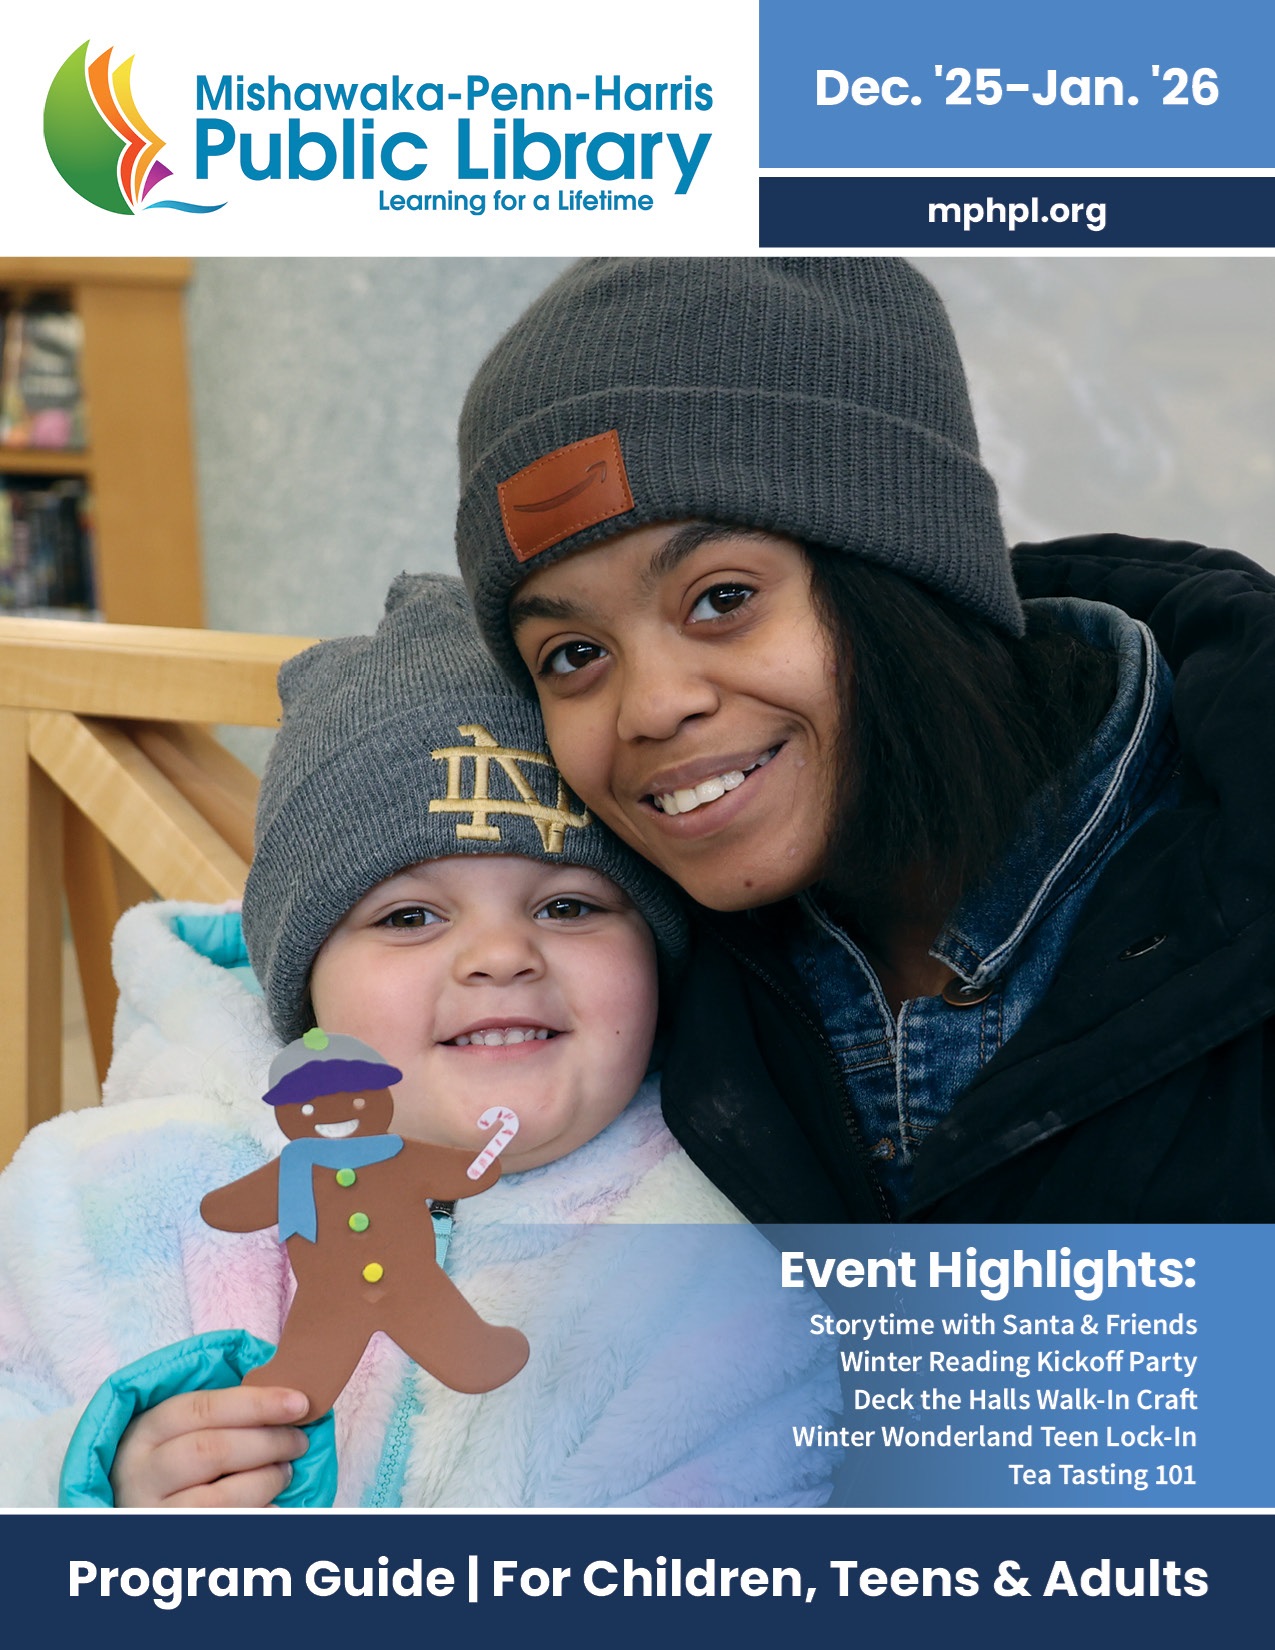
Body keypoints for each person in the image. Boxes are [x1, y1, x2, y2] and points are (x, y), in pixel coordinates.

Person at [455, 256, 1275, 1224]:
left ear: (906, 572)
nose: (650, 707)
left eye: (722, 599)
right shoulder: (627, 950)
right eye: (573, 654)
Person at [0, 573, 835, 1507]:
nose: (500, 954)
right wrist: (86, 1489)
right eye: (407, 917)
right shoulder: (105, 1194)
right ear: (302, 984)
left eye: (568, 905)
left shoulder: (720, 1272)